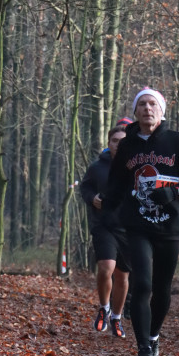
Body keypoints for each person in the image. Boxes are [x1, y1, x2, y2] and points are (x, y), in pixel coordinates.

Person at [104, 88, 179, 356]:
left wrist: (174, 192)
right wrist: (107, 213)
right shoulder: (127, 146)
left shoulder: (178, 141)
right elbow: (116, 185)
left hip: (170, 225)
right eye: (142, 104)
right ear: (135, 112)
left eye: (152, 104)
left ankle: (153, 337)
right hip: (137, 225)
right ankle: (144, 350)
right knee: (142, 285)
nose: (147, 109)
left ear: (161, 111)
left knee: (161, 289)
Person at [80, 125, 131, 338]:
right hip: (103, 225)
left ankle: (116, 319)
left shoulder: (135, 166)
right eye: (115, 141)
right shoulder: (97, 167)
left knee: (122, 276)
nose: (118, 145)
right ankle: (104, 308)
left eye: (123, 141)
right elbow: (85, 187)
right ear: (108, 143)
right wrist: (92, 198)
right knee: (106, 268)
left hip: (128, 228)